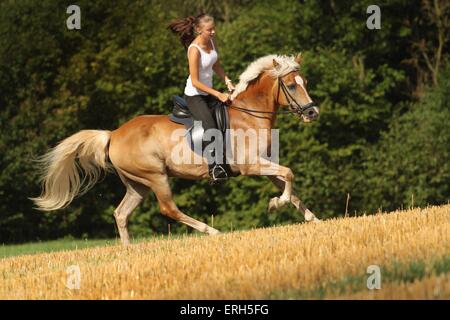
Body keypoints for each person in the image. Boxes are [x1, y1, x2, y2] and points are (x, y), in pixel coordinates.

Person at [168, 13, 235, 183]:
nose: (213, 32)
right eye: (209, 30)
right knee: (210, 127)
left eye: (213, 29)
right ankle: (215, 168)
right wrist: (218, 94)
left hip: (209, 92)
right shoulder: (194, 49)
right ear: (198, 30)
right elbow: (196, 82)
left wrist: (226, 80)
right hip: (195, 96)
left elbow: (216, 64)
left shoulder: (212, 42)